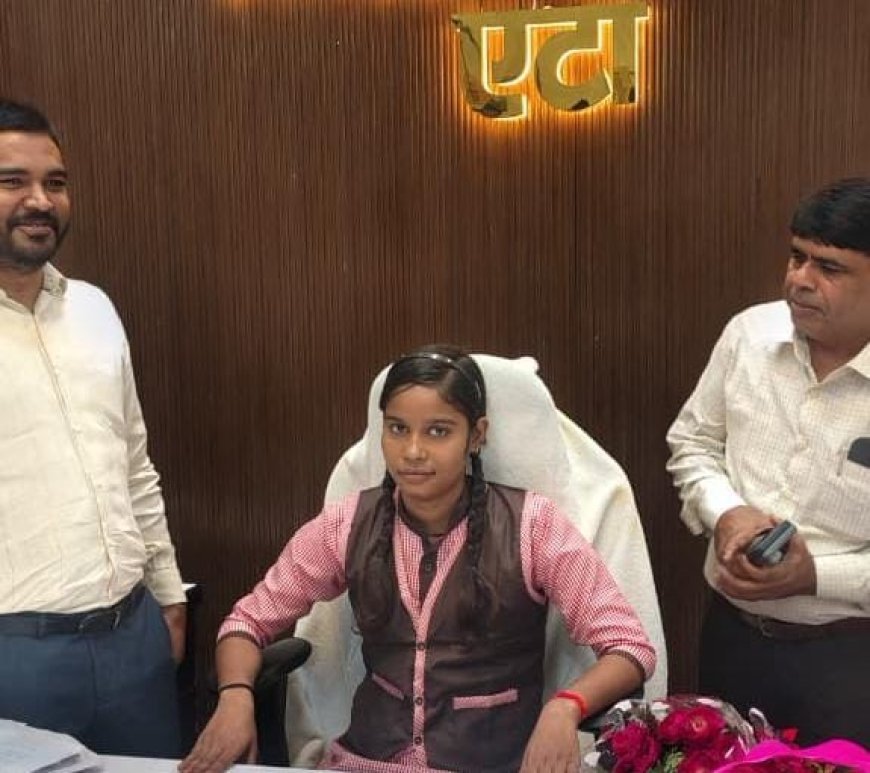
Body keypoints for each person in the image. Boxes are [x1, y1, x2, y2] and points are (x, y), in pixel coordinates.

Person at [181, 345, 656, 773]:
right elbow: (246, 623)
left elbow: (629, 647)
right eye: (397, 429)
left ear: (476, 436)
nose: (412, 451)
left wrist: (566, 706)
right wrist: (235, 697)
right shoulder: (346, 523)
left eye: (438, 431)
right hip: (365, 761)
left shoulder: (534, 525)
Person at [0, 99, 187, 756]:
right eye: (12, 181)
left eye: (54, 182)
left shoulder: (94, 310)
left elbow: (134, 463)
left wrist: (168, 593)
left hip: (134, 638)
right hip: (16, 657)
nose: (39, 201)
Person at [667, 177, 870, 745]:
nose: (799, 280)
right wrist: (726, 513)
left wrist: (814, 575)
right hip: (732, 639)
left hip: (852, 660)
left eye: (829, 268)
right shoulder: (750, 334)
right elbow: (694, 442)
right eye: (796, 256)